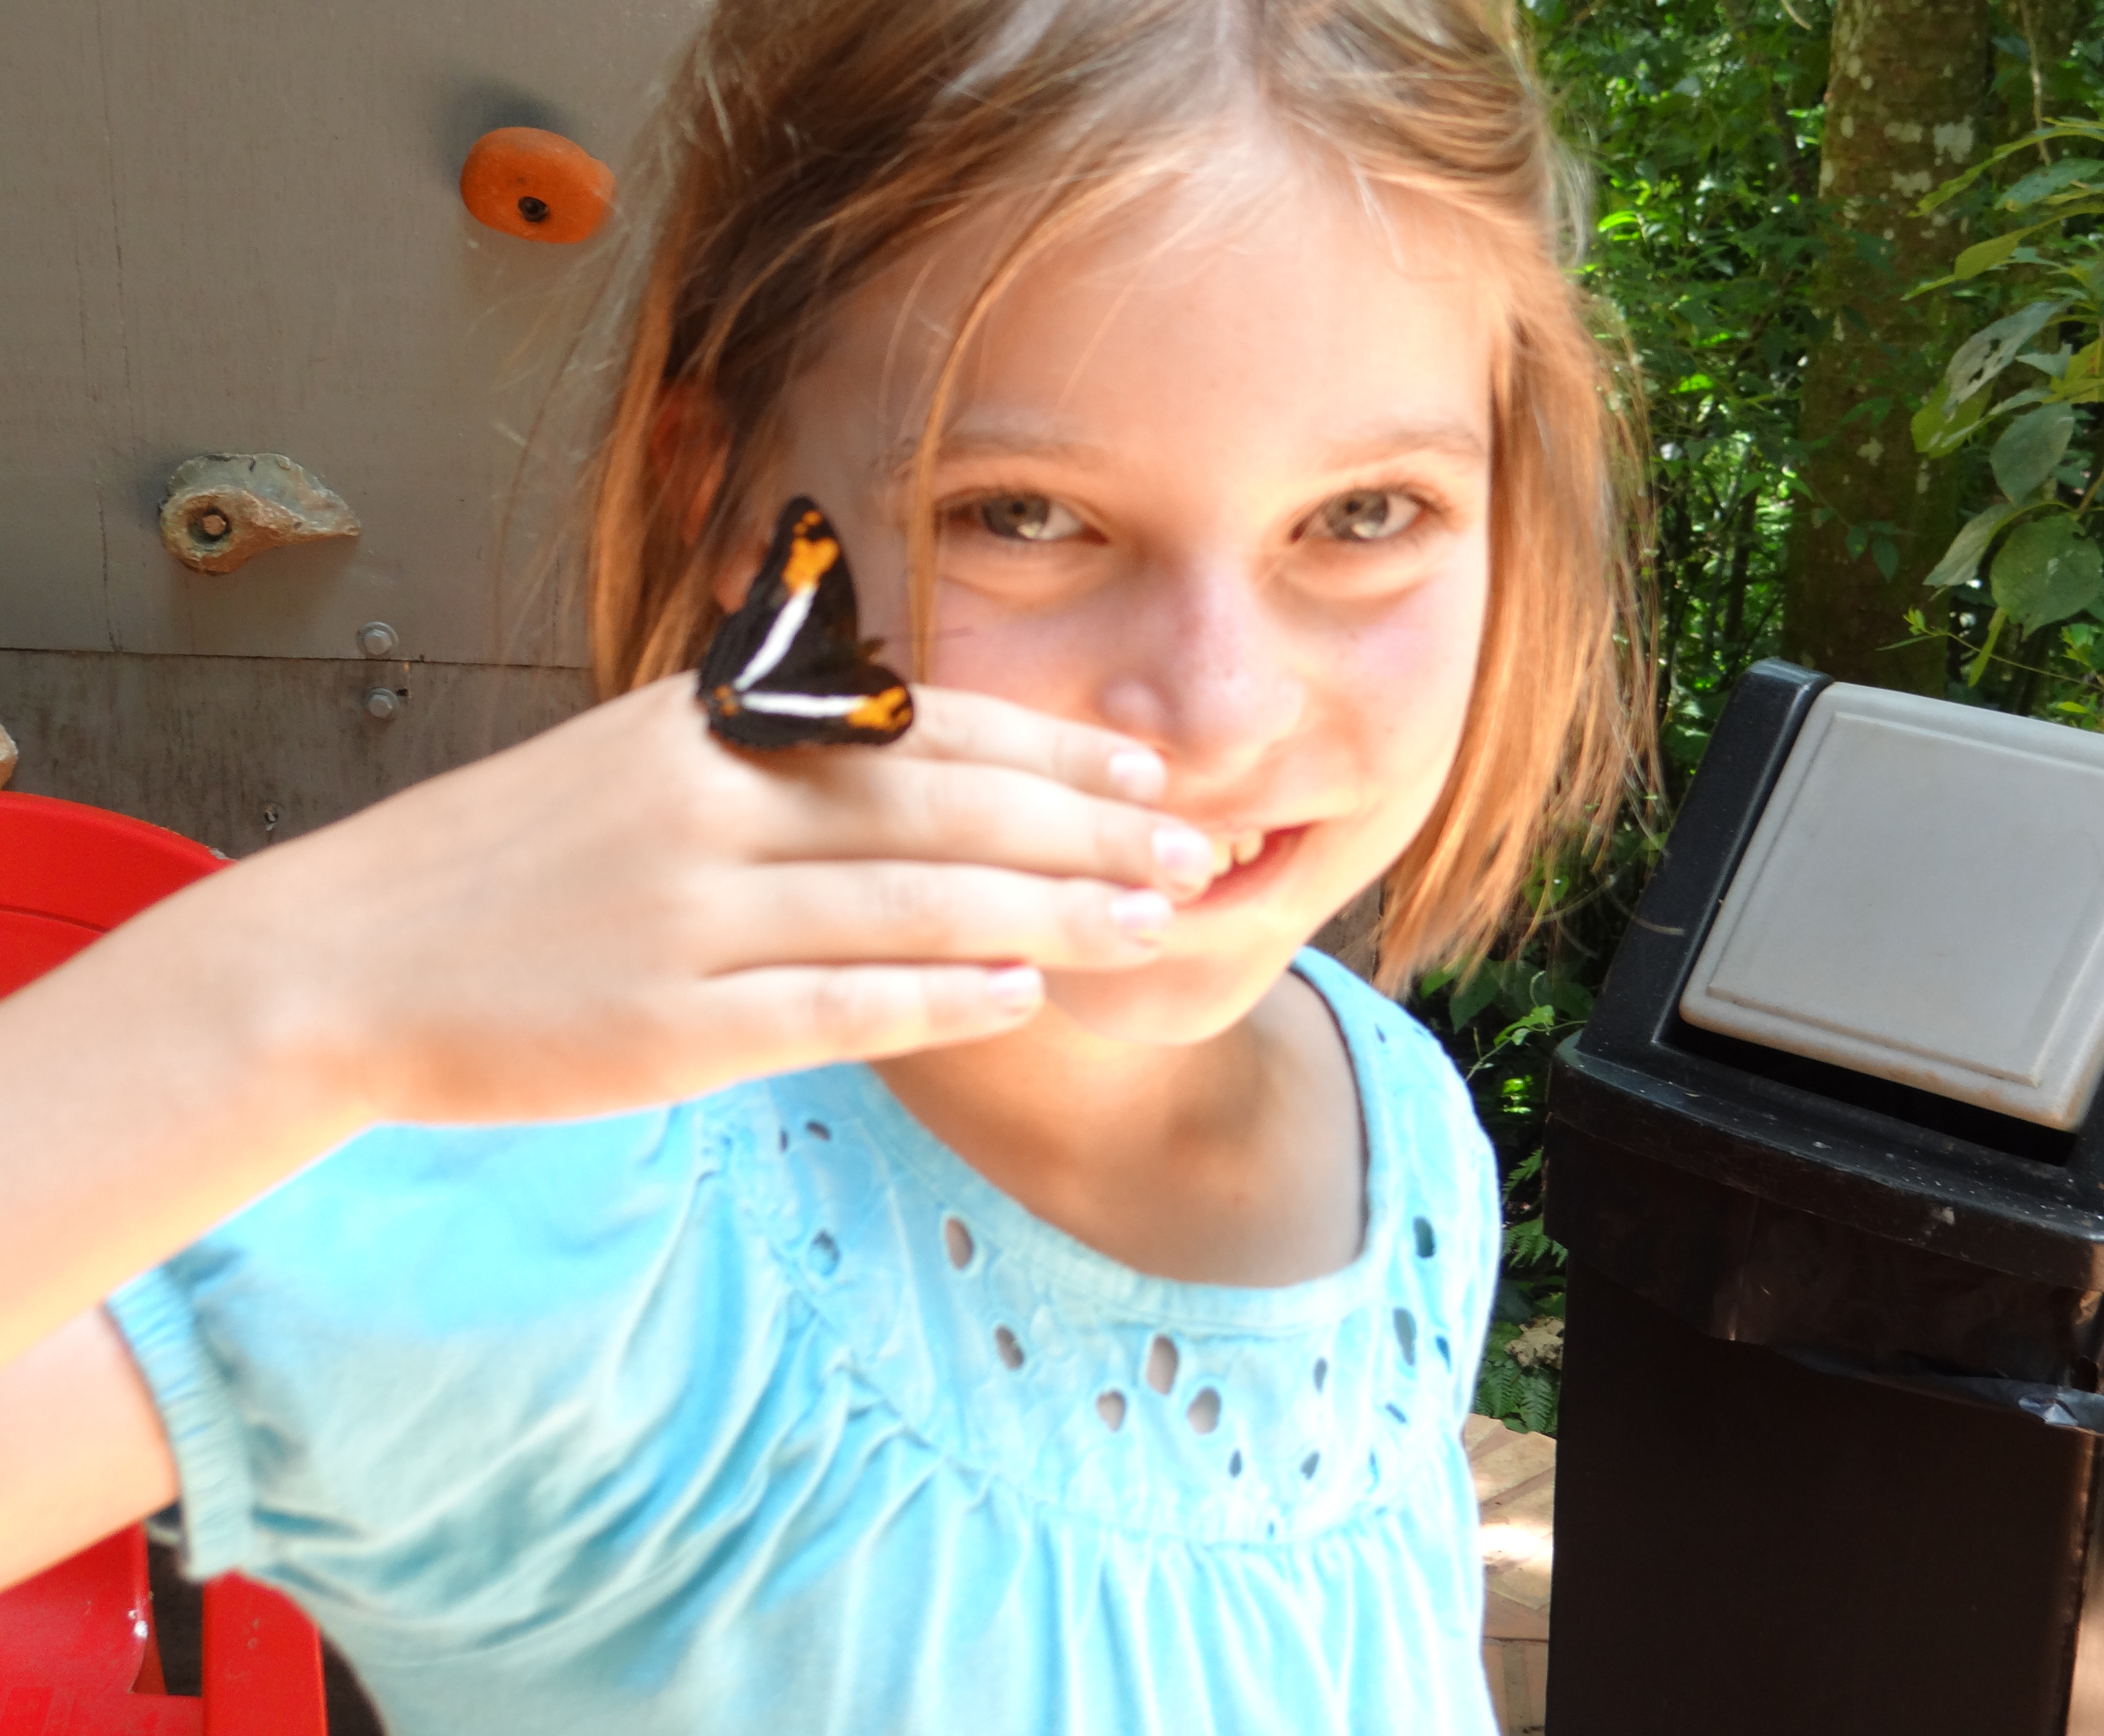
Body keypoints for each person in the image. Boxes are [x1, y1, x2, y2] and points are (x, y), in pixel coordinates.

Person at [0, 0, 1642, 1727]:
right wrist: (306, 988)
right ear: (725, 503)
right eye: (1020, 513)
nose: (1221, 708)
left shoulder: (1396, 1118)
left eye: (1366, 513)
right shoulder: (561, 1198)